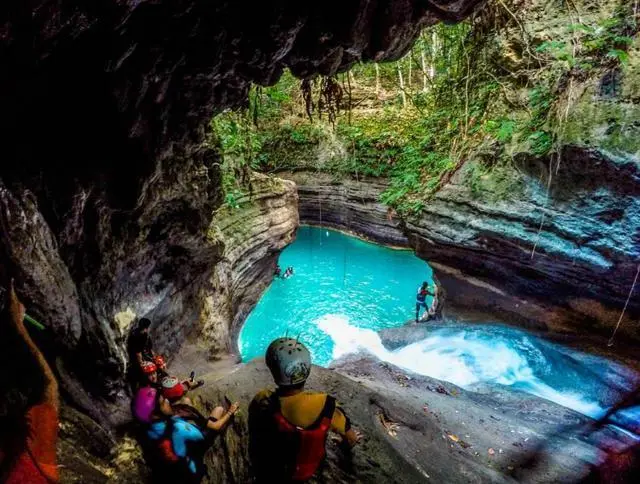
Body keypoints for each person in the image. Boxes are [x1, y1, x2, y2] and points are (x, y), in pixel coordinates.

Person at [249, 337, 362, 482]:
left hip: (275, 468)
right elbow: (351, 439)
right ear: (307, 370)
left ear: (272, 370)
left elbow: (255, 431)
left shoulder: (263, 399)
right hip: (308, 469)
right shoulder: (326, 404)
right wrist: (347, 442)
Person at [0, 280, 59, 483]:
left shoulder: (34, 467)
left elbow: (48, 386)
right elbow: (49, 387)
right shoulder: (36, 467)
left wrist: (17, 322)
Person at [146, 392, 239, 481]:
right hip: (193, 461)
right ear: (158, 409)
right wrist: (230, 412)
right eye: (163, 402)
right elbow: (208, 431)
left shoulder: (151, 428)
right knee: (219, 410)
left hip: (176, 464)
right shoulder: (178, 426)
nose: (167, 402)